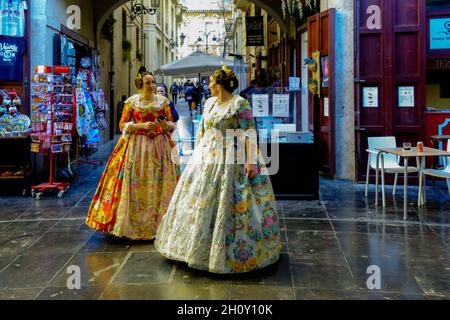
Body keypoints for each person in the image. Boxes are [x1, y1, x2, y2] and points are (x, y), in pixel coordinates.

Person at [155, 65, 281, 273]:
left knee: (233, 201)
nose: (209, 84)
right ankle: (196, 247)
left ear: (221, 84)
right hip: (208, 155)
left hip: (233, 155)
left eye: (212, 81)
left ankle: (235, 252)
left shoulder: (239, 104)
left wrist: (250, 161)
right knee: (200, 200)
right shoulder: (210, 103)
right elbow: (204, 130)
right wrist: (197, 154)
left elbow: (249, 132)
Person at [86, 71, 179, 240]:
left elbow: (172, 124)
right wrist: (141, 126)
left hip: (160, 146)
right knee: (135, 181)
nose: (152, 86)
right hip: (137, 146)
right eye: (148, 83)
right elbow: (122, 125)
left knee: (160, 181)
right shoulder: (132, 103)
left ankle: (160, 222)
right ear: (139, 85)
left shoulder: (163, 102)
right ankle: (133, 222)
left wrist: (165, 125)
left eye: (153, 82)